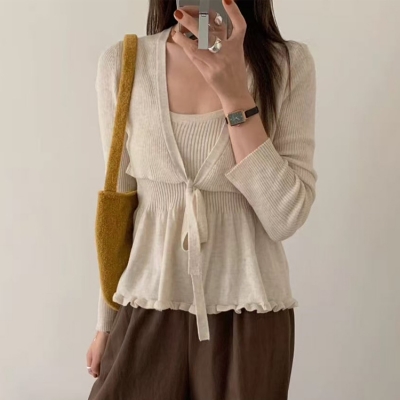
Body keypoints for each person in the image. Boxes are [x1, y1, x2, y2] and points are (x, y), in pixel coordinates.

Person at [86, 0, 317, 398]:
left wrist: (235, 94)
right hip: (147, 304)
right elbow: (118, 208)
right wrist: (106, 323)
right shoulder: (125, 64)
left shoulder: (287, 64)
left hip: (249, 313)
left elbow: (286, 215)